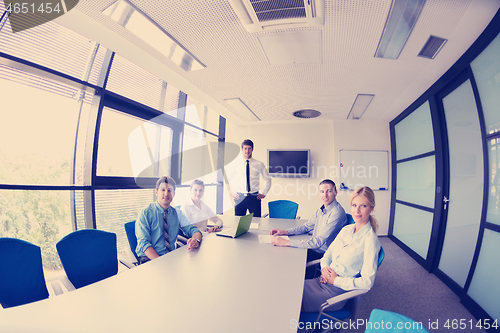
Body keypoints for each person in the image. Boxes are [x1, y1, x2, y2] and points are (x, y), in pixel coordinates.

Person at [301, 186, 381, 313]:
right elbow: (328, 254)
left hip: (335, 293)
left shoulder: (370, 240)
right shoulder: (346, 230)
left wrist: (335, 280)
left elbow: (367, 283)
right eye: (354, 205)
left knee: (290, 303)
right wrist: (324, 268)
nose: (357, 211)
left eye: (363, 206)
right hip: (321, 281)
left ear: (371, 208)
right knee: (289, 290)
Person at [270, 179, 347, 262]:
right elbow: (306, 226)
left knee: (285, 258)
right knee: (280, 253)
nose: (325, 195)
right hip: (314, 248)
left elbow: (318, 242)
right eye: (322, 191)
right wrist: (285, 232)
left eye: (329, 191)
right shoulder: (323, 208)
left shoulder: (336, 213)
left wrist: (286, 242)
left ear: (335, 192)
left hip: (322, 255)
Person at [135, 176, 203, 264]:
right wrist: (162, 262)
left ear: (174, 194)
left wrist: (196, 240)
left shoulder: (177, 213)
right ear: (156, 192)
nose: (166, 194)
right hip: (149, 259)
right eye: (163, 190)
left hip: (170, 257)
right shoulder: (145, 213)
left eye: (170, 190)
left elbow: (193, 230)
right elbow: (143, 244)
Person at [228, 139, 272, 217]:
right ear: (242, 149)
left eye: (249, 148)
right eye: (245, 148)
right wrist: (232, 192)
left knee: (257, 221)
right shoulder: (236, 164)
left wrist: (264, 193)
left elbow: (268, 179)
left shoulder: (259, 164)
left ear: (252, 149)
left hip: (254, 198)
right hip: (240, 198)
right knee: (238, 223)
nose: (247, 151)